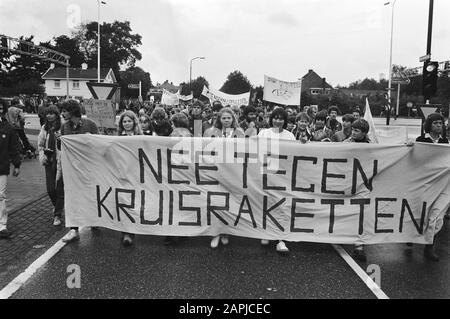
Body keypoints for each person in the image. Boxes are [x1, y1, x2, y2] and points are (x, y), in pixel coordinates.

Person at [60, 100, 99, 243]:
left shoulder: (90, 124)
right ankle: (73, 229)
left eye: (65, 111)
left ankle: (95, 219)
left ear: (72, 111)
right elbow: (62, 147)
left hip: (89, 168)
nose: (62, 113)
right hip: (72, 169)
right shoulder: (64, 127)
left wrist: (91, 138)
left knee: (91, 195)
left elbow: (100, 144)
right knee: (72, 197)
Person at [257, 108, 295, 254]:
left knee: (281, 205)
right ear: (271, 118)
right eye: (275, 118)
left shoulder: (290, 135)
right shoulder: (263, 133)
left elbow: (295, 153)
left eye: (281, 118)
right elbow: (256, 149)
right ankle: (265, 232)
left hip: (283, 175)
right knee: (265, 203)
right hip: (266, 173)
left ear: (285, 121)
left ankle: (280, 239)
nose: (278, 121)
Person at [414, 113, 449, 261]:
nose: (438, 126)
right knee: (420, 214)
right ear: (429, 125)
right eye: (435, 123)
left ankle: (429, 246)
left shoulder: (446, 143)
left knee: (436, 215)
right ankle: (411, 236)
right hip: (424, 183)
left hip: (440, 185)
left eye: (440, 123)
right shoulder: (421, 140)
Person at [209, 107, 245, 249]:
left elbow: (244, 150)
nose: (226, 120)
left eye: (228, 118)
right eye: (223, 118)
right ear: (219, 119)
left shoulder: (240, 132)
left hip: (232, 171)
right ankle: (215, 233)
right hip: (216, 170)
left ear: (233, 119)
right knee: (216, 202)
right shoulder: (212, 132)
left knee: (229, 203)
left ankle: (226, 232)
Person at [343, 119, 371, 261]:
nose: (353, 132)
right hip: (348, 184)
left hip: (363, 186)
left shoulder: (372, 146)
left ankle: (359, 246)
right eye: (352, 129)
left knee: (362, 215)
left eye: (356, 130)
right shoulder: (346, 144)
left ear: (364, 133)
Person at [117, 110, 142, 246]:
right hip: (121, 174)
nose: (127, 124)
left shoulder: (140, 136)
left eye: (129, 121)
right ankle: (126, 232)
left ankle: (132, 230)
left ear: (134, 122)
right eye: (124, 121)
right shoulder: (117, 136)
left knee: (133, 203)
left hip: (136, 174)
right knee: (123, 202)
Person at [37, 105, 64, 226]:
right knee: (50, 189)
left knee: (59, 190)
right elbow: (40, 144)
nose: (49, 115)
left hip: (60, 162)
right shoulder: (45, 128)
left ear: (56, 115)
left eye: (52, 113)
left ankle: (57, 215)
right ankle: (58, 207)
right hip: (49, 161)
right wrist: (42, 155)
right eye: (47, 113)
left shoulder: (63, 127)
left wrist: (60, 138)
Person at [0, 101, 21, 239]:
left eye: (1, 108)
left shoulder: (7, 127)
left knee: (1, 195)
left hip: (1, 167)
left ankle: (2, 226)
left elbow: (13, 147)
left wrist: (17, 164)